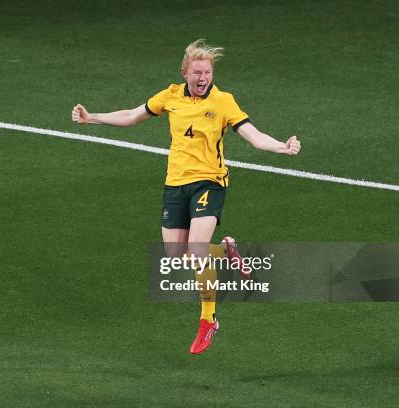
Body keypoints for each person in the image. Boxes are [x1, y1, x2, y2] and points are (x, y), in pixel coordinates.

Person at [71, 39, 301, 354]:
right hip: (175, 185)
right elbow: (132, 116)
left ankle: (209, 320)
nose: (203, 77)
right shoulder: (170, 96)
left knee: (195, 251)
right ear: (185, 72)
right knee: (176, 257)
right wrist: (91, 118)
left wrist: (281, 147)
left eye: (207, 72)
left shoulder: (223, 102)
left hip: (209, 182)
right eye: (197, 72)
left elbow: (253, 135)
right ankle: (227, 251)